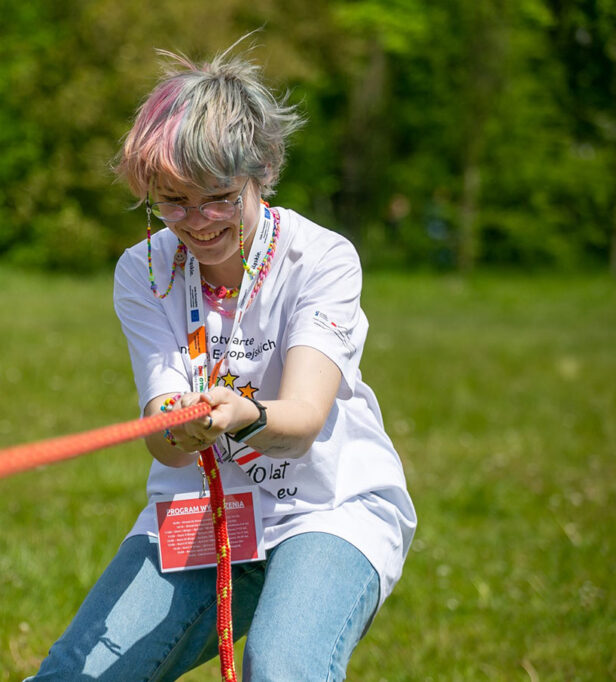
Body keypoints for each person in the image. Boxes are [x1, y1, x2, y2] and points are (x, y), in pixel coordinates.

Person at [28, 38, 416, 682]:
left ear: (259, 170)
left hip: (327, 507)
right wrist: (178, 423)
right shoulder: (145, 268)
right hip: (200, 512)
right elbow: (168, 445)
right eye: (173, 202)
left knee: (283, 665)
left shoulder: (321, 259)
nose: (197, 221)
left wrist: (239, 412)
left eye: (217, 197)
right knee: (74, 674)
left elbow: (302, 422)